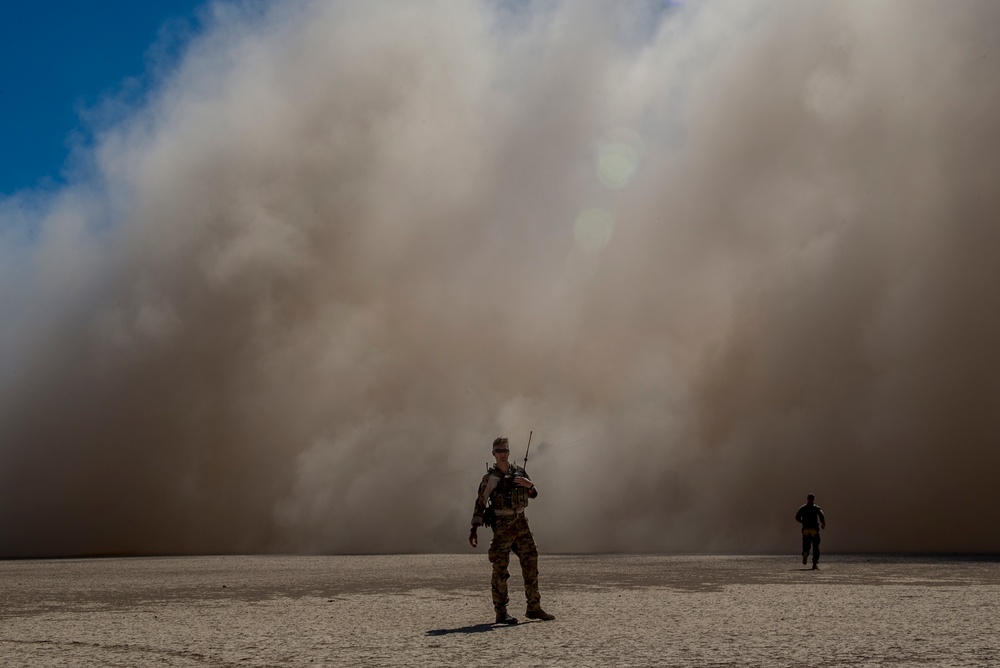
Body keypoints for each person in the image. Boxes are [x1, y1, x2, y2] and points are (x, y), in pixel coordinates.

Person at [469, 436, 555, 625]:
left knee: (531, 561)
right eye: (499, 451)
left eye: (505, 450)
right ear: (493, 453)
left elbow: (534, 494)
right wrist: (473, 529)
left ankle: (534, 607)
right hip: (503, 524)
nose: (502, 454)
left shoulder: (519, 472)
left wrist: (528, 485)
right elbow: (480, 504)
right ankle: (501, 612)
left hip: (521, 522)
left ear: (509, 452)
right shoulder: (490, 479)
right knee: (500, 567)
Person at [795, 493, 827, 570]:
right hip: (814, 529)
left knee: (806, 543)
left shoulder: (802, 508)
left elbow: (797, 517)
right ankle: (814, 563)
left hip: (805, 529)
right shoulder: (816, 508)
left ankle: (805, 553)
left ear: (807, 499)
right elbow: (821, 515)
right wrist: (823, 523)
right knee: (816, 546)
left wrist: (802, 521)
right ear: (813, 499)